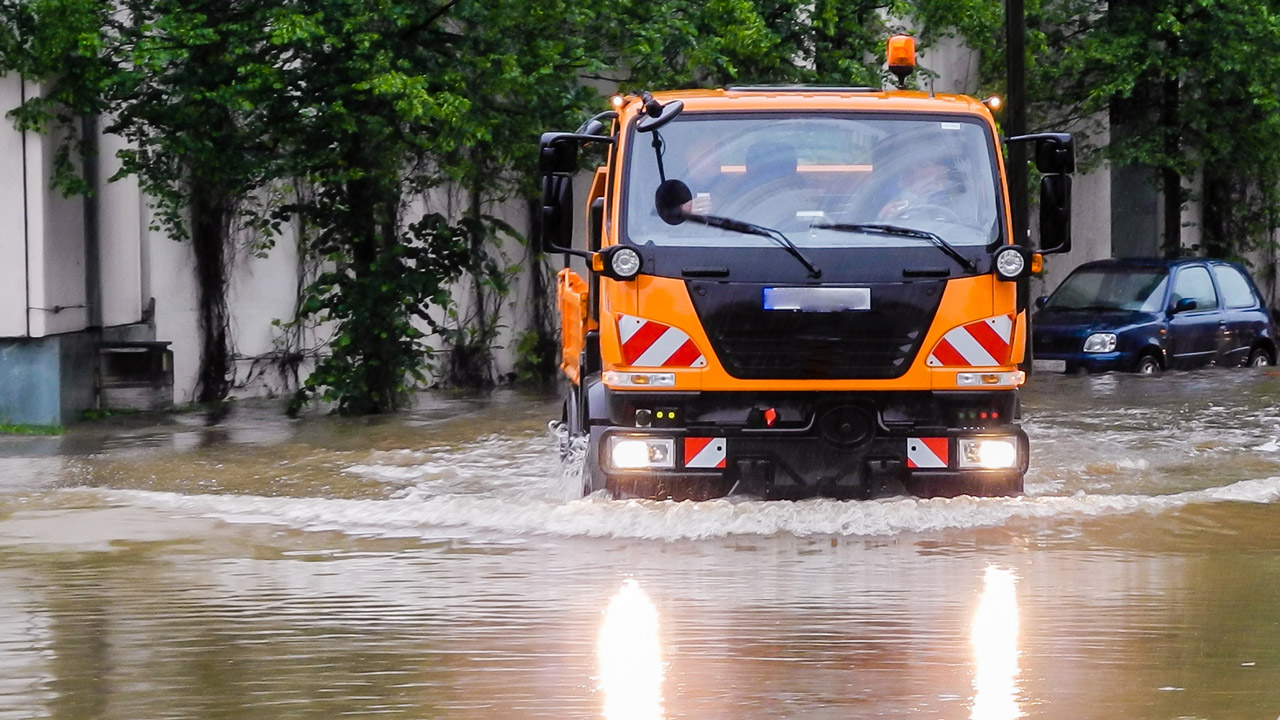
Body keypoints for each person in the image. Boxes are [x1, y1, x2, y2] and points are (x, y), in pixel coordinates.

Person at [876, 158, 959, 220]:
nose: (917, 172)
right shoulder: (884, 195)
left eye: (924, 165)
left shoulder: (960, 194)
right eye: (909, 168)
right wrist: (884, 217)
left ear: (942, 168)